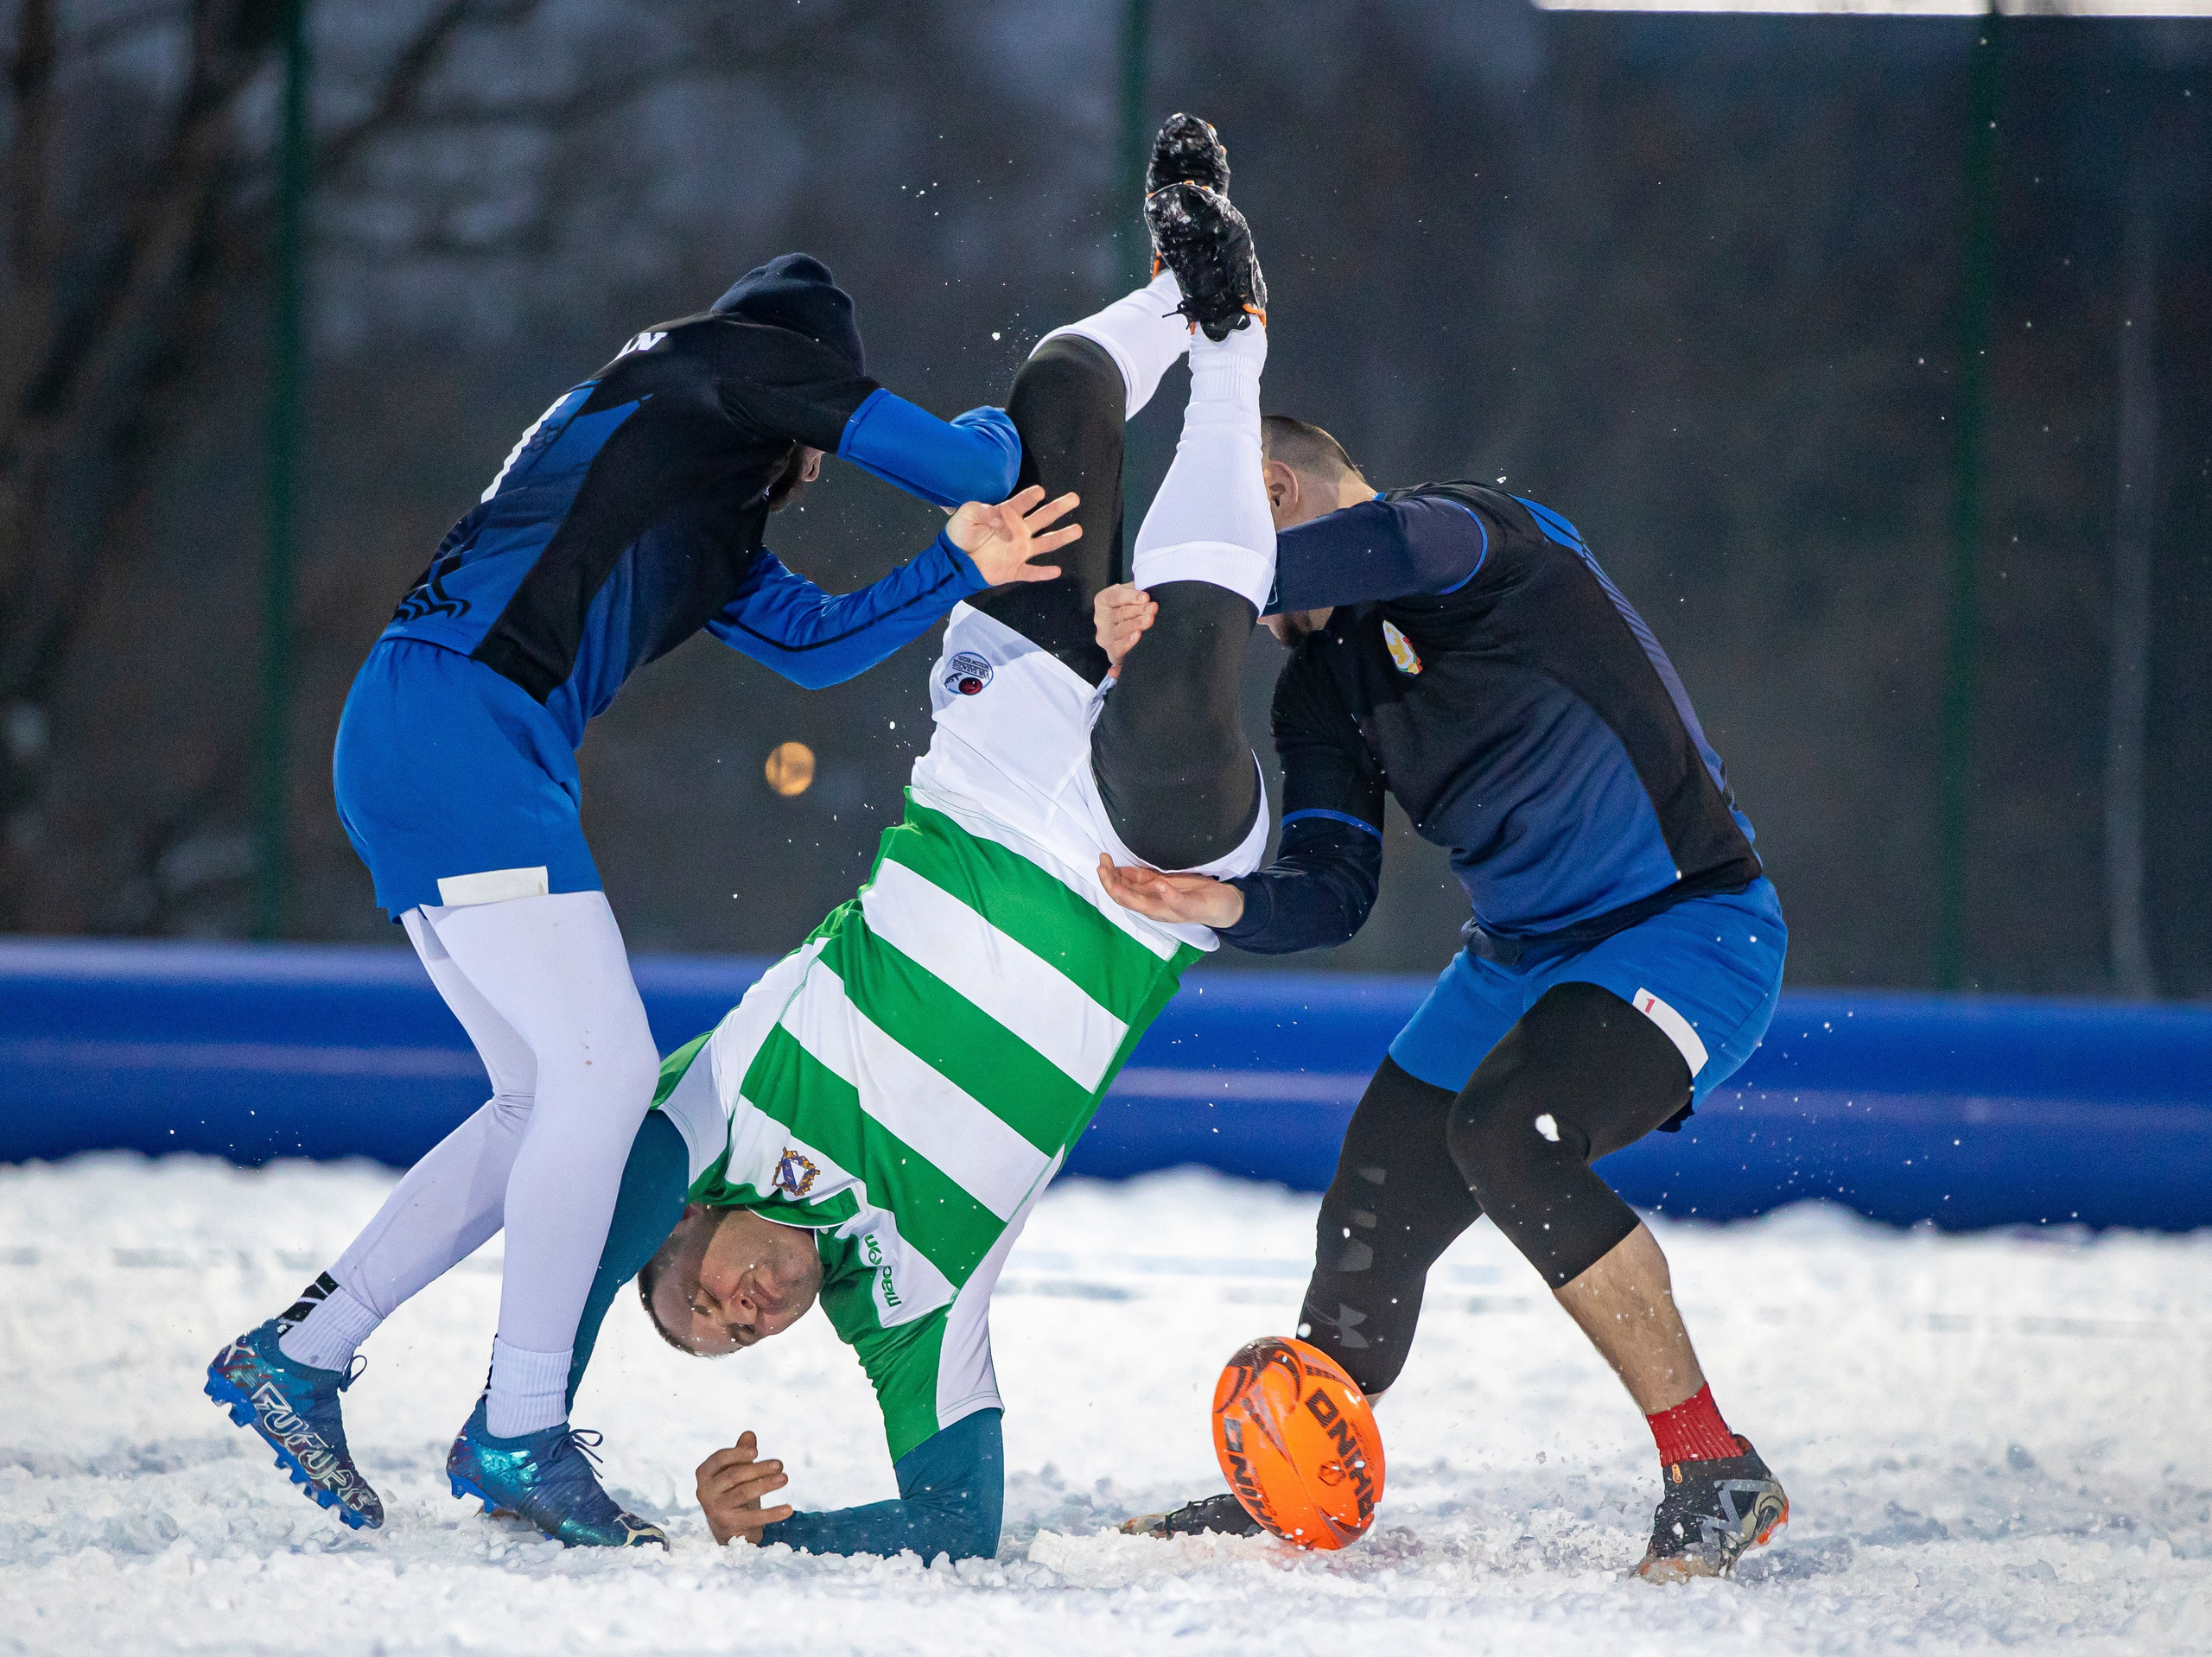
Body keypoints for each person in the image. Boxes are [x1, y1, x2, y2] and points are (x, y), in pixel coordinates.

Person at [206, 252, 1079, 1545]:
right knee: (607, 1078)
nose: (820, 463)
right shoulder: (720, 361)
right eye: (822, 432)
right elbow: (962, 464)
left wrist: (956, 566)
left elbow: (819, 645)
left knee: (542, 1096)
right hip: (464, 732)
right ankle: (517, 1424)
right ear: (806, 383)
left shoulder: (704, 491)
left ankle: (308, 1350)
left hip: (426, 726)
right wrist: (1021, 426)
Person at [498, 114, 1277, 1560]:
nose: (741, 1316)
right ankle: (1234, 360)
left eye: (703, 1299)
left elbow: (590, 1242)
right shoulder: (916, 1308)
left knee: (1053, 407)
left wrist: (523, 1422)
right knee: (1178, 684)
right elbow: (957, 1520)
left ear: (693, 1221)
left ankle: (1191, 289)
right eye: (738, 1344)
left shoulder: (714, 1107)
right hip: (1140, 886)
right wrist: (763, 1541)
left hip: (984, 780)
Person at [1098, 418, 1791, 1581]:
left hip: (1687, 925)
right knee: (1374, 1193)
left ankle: (1714, 1466)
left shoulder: (1480, 538)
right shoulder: (1322, 684)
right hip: (1516, 955)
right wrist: (1219, 905)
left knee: (1513, 1133)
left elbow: (1383, 549)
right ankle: (1292, 1483)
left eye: (1237, 548)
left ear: (1276, 488)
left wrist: (1175, 595)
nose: (1262, 626)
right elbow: (1332, 891)